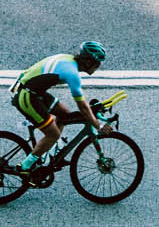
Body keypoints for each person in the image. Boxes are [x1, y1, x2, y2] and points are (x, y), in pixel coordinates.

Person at [11, 40, 109, 170]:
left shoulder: (69, 60)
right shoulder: (72, 73)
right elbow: (83, 106)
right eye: (97, 63)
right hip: (27, 96)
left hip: (33, 91)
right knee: (53, 134)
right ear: (88, 61)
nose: (99, 66)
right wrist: (98, 125)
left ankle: (51, 152)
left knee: (64, 113)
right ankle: (24, 167)